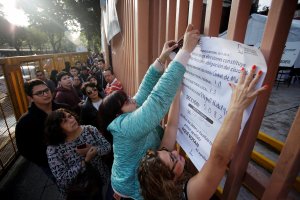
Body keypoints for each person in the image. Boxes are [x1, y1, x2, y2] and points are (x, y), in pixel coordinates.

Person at [98, 24, 200, 199]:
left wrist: (161, 58)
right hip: (130, 190)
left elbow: (145, 89)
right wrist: (185, 53)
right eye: (126, 101)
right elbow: (157, 100)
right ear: (118, 115)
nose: (132, 98)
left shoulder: (129, 113)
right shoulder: (124, 127)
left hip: (141, 180)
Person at [138, 66, 268, 200]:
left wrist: (176, 94)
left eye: (168, 151)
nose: (175, 152)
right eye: (173, 158)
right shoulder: (190, 195)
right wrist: (237, 106)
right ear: (169, 182)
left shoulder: (160, 177)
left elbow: (171, 126)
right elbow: (219, 159)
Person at [45, 108, 111, 198]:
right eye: (64, 121)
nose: (71, 120)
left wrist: (94, 150)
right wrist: (85, 161)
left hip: (100, 179)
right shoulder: (54, 149)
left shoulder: (90, 130)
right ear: (57, 128)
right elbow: (63, 180)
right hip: (79, 191)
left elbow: (107, 147)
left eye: (70, 116)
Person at [15, 79, 69, 180]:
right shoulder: (25, 122)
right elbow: (24, 149)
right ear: (30, 98)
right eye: (39, 93)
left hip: (77, 154)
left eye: (46, 90)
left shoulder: (65, 109)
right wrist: (46, 161)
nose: (45, 94)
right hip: (51, 165)